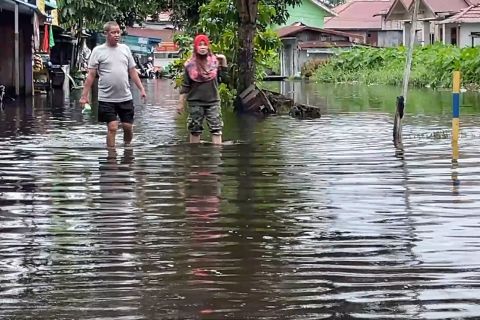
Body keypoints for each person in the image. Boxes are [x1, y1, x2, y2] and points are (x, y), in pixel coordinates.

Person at [79, 21, 146, 148]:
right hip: (106, 98)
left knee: (127, 127)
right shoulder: (98, 51)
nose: (116, 35)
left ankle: (127, 149)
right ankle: (111, 158)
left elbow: (132, 71)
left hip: (125, 96)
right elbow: (91, 75)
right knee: (113, 127)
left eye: (118, 32)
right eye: (113, 32)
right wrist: (84, 95)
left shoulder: (125, 49)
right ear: (106, 34)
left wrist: (141, 89)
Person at [177, 34, 228, 145]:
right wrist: (180, 103)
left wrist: (224, 61)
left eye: (205, 44)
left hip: (213, 101)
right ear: (195, 47)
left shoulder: (215, 62)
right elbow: (185, 86)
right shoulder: (190, 65)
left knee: (216, 129)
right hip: (195, 102)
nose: (202, 47)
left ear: (208, 47)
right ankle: (195, 156)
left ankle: (216, 157)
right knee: (195, 130)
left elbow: (224, 79)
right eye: (200, 45)